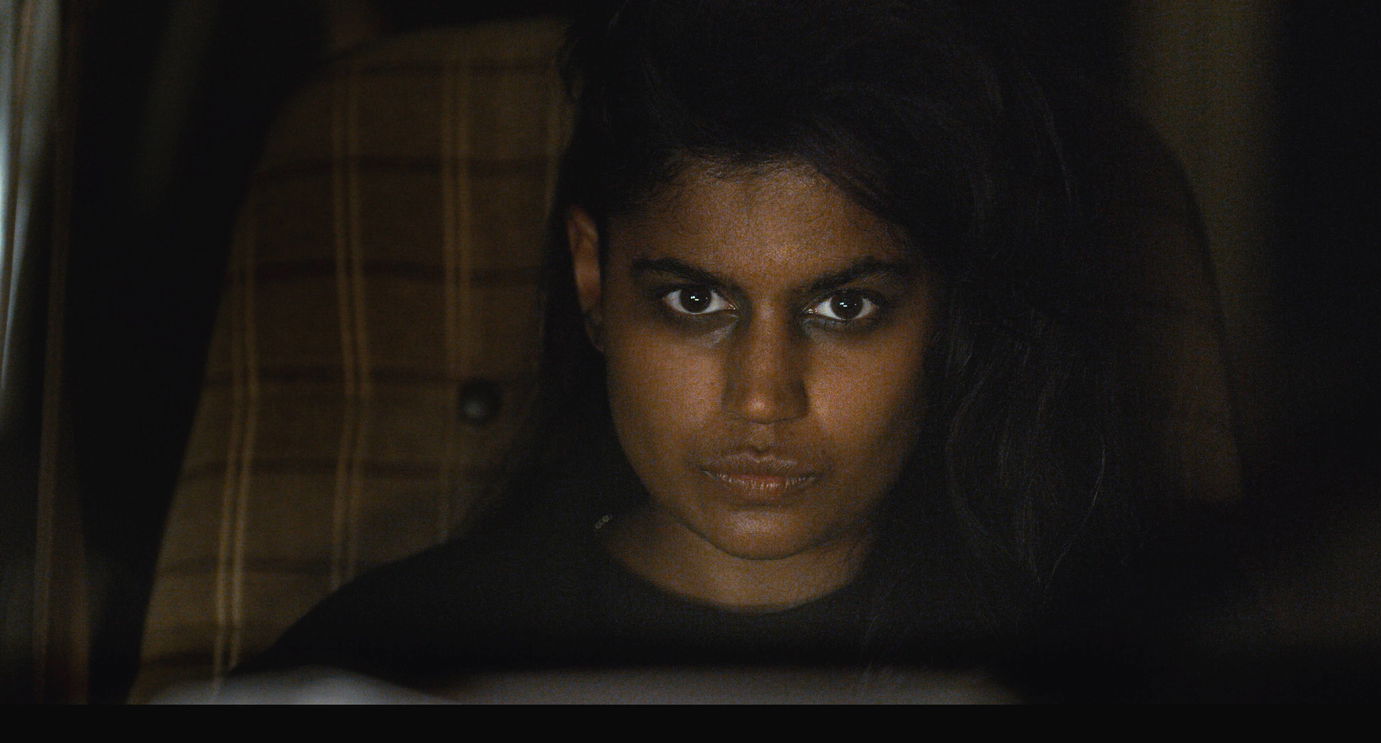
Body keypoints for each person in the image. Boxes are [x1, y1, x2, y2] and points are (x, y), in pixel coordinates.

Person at [237, 0, 1181, 700]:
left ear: (946, 314)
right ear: (594, 278)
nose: (763, 396)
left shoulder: (1090, 667)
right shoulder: (391, 665)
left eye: (845, 306)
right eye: (695, 301)